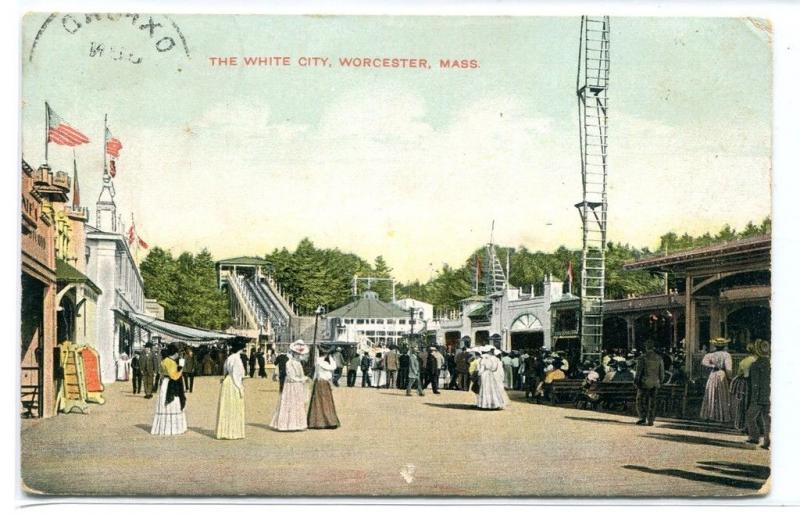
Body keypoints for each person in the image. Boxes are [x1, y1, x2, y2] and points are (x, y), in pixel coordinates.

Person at [270, 340, 310, 432]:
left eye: (300, 354)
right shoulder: (289, 363)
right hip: (291, 386)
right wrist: (303, 379)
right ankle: (286, 425)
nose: (299, 356)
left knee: (297, 404)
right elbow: (291, 376)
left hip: (297, 386)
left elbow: (300, 375)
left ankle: (297, 424)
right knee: (289, 403)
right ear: (294, 353)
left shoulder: (298, 363)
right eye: (297, 354)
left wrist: (303, 379)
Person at [151, 343, 187, 436]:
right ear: (174, 353)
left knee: (165, 403)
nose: (178, 355)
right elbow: (174, 376)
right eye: (177, 353)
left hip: (165, 383)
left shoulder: (165, 360)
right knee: (172, 403)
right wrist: (181, 368)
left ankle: (164, 428)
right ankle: (171, 428)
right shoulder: (169, 361)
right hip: (170, 384)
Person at [215, 338, 247, 439]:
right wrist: (240, 387)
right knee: (234, 405)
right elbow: (237, 375)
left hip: (227, 382)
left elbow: (225, 371)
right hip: (233, 383)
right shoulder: (237, 359)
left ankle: (225, 431)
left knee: (227, 406)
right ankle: (233, 431)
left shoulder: (229, 358)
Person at [699, 337, 733, 423]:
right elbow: (728, 368)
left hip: (713, 374)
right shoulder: (726, 355)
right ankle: (721, 416)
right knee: (722, 394)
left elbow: (703, 362)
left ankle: (711, 415)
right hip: (722, 374)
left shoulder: (711, 355)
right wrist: (730, 378)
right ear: (724, 346)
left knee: (712, 393)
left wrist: (712, 366)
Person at [745, 339, 770, 449]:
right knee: (766, 418)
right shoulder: (771, 363)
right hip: (769, 394)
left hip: (759, 396)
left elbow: (755, 384)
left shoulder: (756, 365)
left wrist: (753, 398)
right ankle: (766, 439)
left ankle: (754, 437)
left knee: (750, 416)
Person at [307, 350, 341, 429]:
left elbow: (315, 373)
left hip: (318, 382)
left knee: (318, 402)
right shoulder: (322, 362)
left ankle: (316, 422)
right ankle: (328, 421)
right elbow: (333, 367)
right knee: (326, 402)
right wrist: (330, 357)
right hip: (324, 382)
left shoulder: (318, 361)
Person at [635, 340, 665, 426]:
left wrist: (636, 381)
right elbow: (662, 372)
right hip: (655, 382)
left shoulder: (642, 357)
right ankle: (651, 419)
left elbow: (638, 372)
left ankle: (642, 417)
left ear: (646, 347)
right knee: (652, 401)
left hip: (644, 382)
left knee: (640, 400)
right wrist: (661, 381)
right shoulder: (659, 358)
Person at [731, 341, 758, 432]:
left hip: (746, 384)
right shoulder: (759, 361)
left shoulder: (744, 361)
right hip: (757, 384)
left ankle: (744, 426)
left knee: (744, 405)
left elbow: (739, 373)